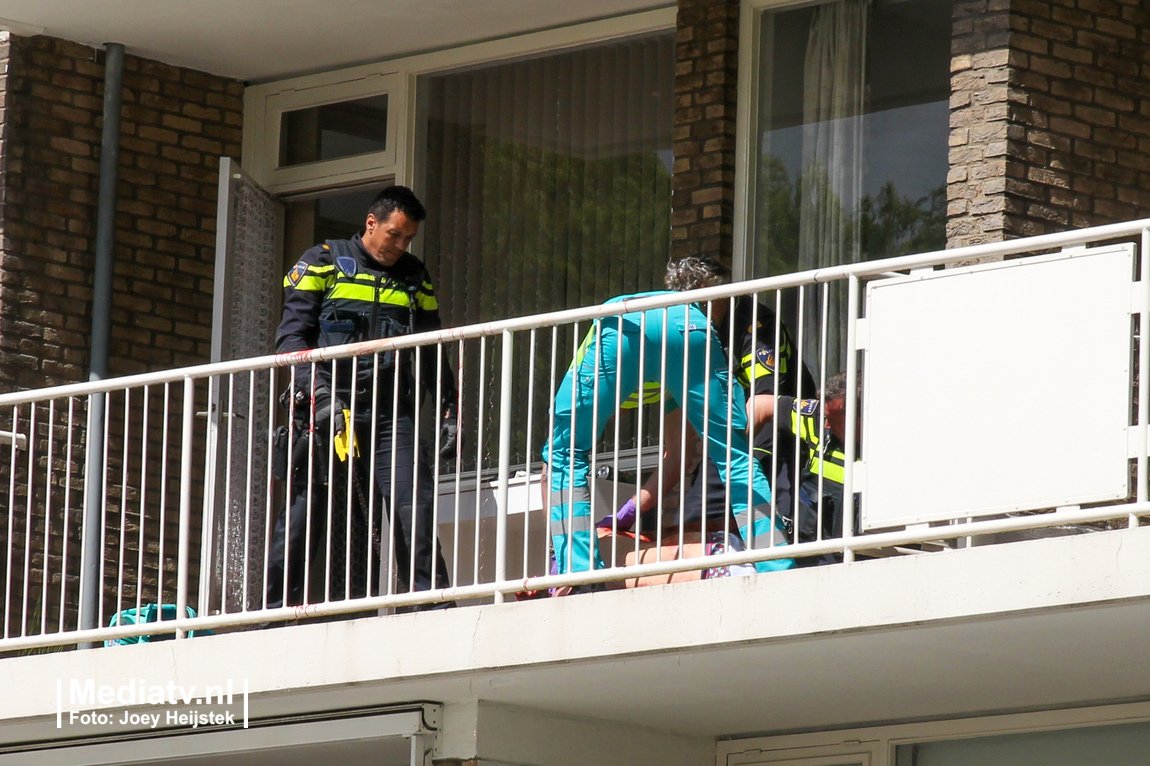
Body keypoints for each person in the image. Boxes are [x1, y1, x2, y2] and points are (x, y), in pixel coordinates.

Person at [266, 185, 458, 611]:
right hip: (328, 410)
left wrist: (448, 407)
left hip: (392, 416)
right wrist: (319, 395)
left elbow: (431, 347)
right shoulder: (322, 261)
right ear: (371, 223)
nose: (400, 245)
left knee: (416, 508)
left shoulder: (414, 276)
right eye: (394, 234)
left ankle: (433, 609)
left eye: (408, 238)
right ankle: (272, 614)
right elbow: (291, 342)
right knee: (304, 513)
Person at [542, 285, 794, 577]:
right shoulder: (668, 381)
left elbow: (550, 471)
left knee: (563, 452)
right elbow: (678, 456)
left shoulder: (595, 356)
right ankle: (775, 564)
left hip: (622, 320)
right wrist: (633, 507)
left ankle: (576, 570)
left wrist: (557, 547)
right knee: (733, 455)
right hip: (688, 323)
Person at [604, 256, 816, 553]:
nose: (695, 315)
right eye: (688, 307)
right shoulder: (690, 337)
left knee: (769, 526)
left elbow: (762, 404)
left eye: (701, 305)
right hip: (729, 442)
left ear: (717, 292)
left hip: (778, 438)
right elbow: (678, 452)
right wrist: (632, 509)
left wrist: (727, 451)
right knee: (693, 521)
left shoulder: (754, 324)